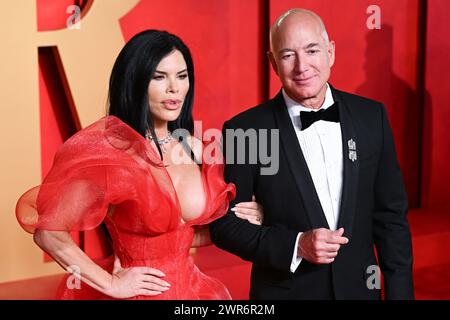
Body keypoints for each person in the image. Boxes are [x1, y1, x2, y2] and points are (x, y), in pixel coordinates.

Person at [15, 30, 264, 300]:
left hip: (191, 292)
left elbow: (186, 235)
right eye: (159, 77)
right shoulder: (111, 153)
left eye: (182, 76)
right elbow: (47, 234)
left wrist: (247, 216)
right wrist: (111, 284)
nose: (174, 88)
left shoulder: (195, 149)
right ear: (135, 81)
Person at [210, 8, 414, 299]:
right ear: (273, 63)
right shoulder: (246, 129)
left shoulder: (372, 117)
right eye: (287, 55)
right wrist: (296, 245)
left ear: (330, 52)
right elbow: (224, 225)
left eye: (312, 50)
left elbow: (391, 218)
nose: (302, 66)